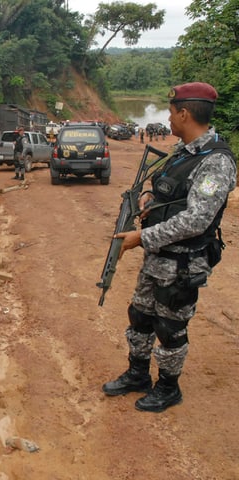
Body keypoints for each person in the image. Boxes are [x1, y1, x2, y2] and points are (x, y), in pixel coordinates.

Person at [102, 82, 237, 412]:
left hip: (183, 263)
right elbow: (167, 194)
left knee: (170, 327)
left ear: (185, 113)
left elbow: (197, 220)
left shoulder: (215, 162)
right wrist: (149, 202)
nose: (168, 118)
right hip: (158, 258)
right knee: (141, 316)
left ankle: (168, 387)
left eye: (172, 112)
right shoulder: (184, 153)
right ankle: (137, 375)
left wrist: (142, 238)